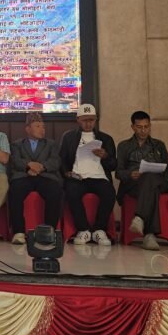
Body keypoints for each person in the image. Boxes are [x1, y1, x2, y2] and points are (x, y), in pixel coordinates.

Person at [115, 111, 168, 250]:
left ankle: (140, 218)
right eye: (139, 127)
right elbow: (118, 172)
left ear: (150, 126)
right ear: (132, 127)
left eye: (146, 127)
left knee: (150, 178)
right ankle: (149, 235)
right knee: (149, 183)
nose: (143, 130)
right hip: (133, 185)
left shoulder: (158, 145)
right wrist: (130, 174)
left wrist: (166, 184)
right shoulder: (124, 146)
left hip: (158, 183)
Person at [59, 104, 117, 247]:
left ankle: (99, 230)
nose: (88, 123)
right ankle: (83, 229)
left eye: (91, 120)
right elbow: (62, 160)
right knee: (71, 191)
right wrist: (67, 173)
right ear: (78, 119)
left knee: (109, 193)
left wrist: (105, 156)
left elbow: (114, 165)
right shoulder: (69, 137)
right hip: (77, 177)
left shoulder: (106, 138)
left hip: (99, 177)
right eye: (85, 120)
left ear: (96, 120)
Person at [8, 113, 63, 245]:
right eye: (37, 126)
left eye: (43, 127)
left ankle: (49, 231)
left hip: (45, 176)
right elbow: (15, 160)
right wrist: (29, 165)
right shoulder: (17, 144)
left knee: (55, 191)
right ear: (28, 129)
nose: (42, 129)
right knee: (15, 191)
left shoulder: (51, 144)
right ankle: (19, 232)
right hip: (24, 176)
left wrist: (41, 167)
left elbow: (55, 161)